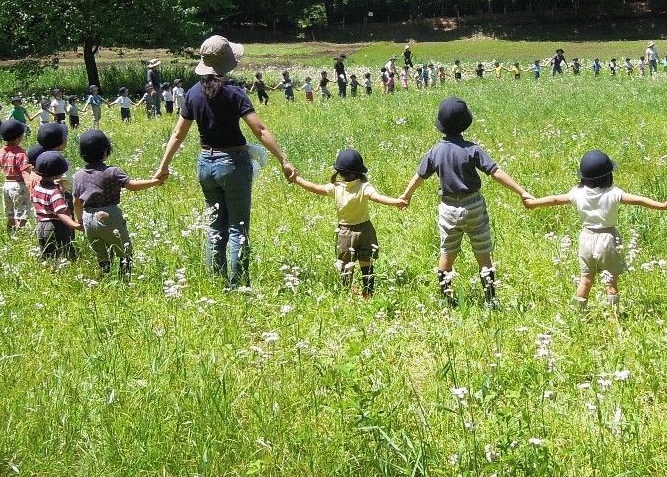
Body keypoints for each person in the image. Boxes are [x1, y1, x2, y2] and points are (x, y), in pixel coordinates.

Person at [155, 35, 296, 288]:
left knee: (214, 227)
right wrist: (283, 159)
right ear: (228, 64)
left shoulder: (192, 94)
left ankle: (216, 282)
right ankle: (239, 283)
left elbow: (178, 134)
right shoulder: (234, 93)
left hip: (205, 165)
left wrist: (163, 167)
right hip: (233, 164)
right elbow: (260, 130)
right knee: (237, 228)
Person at [398, 97, 533, 308]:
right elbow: (495, 173)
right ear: (465, 123)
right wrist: (521, 191)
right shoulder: (473, 149)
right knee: (483, 253)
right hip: (473, 207)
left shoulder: (435, 151)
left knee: (447, 253)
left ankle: (446, 298)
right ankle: (490, 299)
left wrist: (406, 196)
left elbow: (419, 177)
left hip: (448, 209)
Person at [523, 150, 667, 311]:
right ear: (609, 176)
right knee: (610, 281)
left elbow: (555, 199)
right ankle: (613, 315)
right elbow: (639, 200)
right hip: (608, 239)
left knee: (586, 279)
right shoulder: (613, 194)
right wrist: (662, 206)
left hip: (586, 239)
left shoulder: (577, 193)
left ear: (583, 177)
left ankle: (579, 312)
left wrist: (534, 203)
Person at [289, 148, 406, 297]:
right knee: (366, 262)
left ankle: (346, 293)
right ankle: (368, 293)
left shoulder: (335, 188)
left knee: (345, 265)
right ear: (359, 172)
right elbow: (379, 198)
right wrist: (396, 202)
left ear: (339, 172)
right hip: (365, 229)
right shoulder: (364, 187)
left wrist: (296, 179)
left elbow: (313, 188)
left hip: (344, 232)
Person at [73, 130, 163, 279]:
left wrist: (80, 220)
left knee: (101, 255)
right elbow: (132, 185)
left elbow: (76, 201)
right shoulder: (112, 171)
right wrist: (155, 181)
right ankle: (124, 281)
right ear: (106, 151)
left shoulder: (78, 176)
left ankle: (105, 279)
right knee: (124, 251)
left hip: (88, 217)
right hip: (110, 215)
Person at [0, 119, 33, 232]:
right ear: (19, 138)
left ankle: (10, 233)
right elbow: (25, 172)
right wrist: (32, 187)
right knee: (21, 215)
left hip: (7, 186)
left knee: (10, 215)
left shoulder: (1, 152)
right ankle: (20, 235)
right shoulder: (21, 154)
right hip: (19, 186)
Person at [32, 151, 81, 261]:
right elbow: (60, 213)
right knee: (65, 253)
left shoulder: (37, 188)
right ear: (60, 172)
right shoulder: (54, 192)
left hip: (41, 225)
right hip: (56, 226)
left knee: (47, 254)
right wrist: (75, 225)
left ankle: (49, 271)